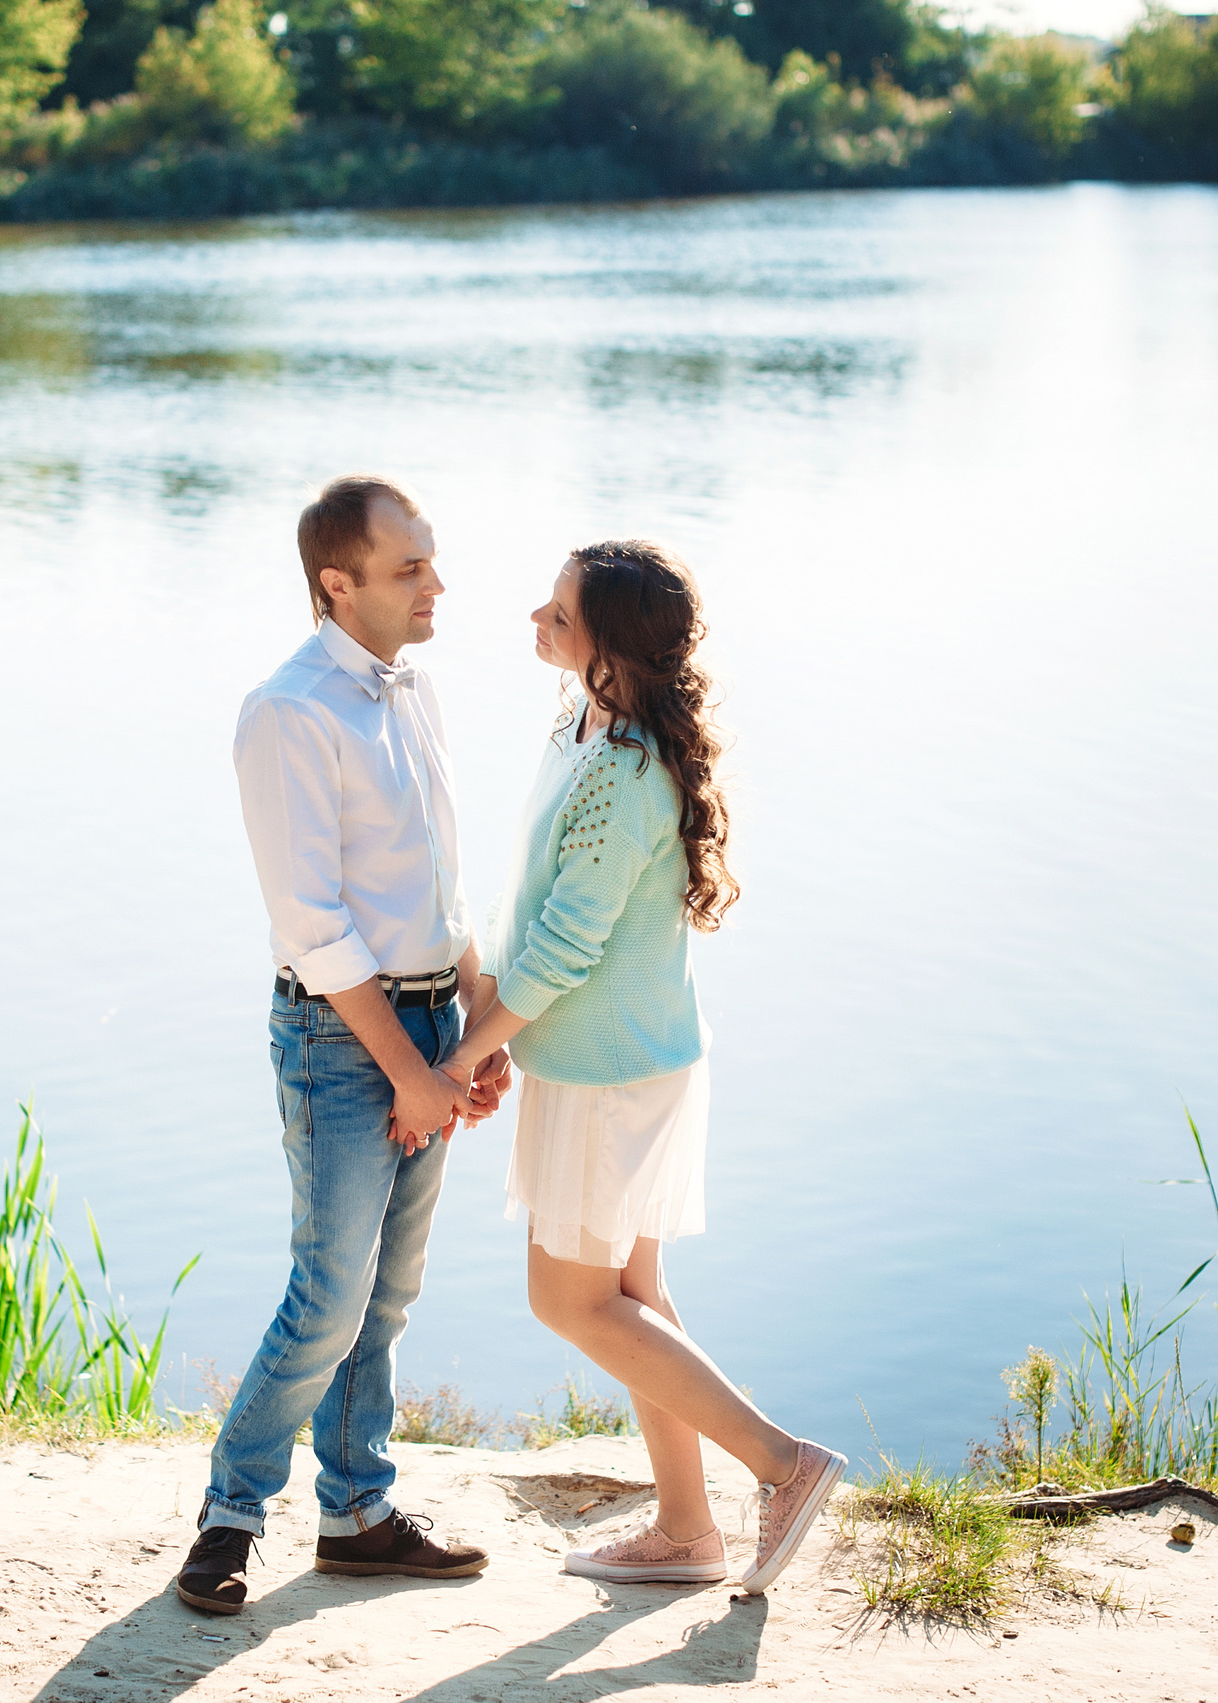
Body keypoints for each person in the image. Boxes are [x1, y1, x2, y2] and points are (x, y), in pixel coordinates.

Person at [440, 539, 847, 1594]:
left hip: (606, 1069)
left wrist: (462, 1055)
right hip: (615, 1054)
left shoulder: (623, 774)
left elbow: (565, 946)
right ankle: (685, 1528)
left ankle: (783, 1464)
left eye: (560, 611)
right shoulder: (582, 721)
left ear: (610, 646)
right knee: (629, 1294)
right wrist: (486, 1028)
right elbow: (530, 912)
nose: (536, 614)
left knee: (571, 1301)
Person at [176, 475, 509, 1617]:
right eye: (410, 566)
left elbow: (438, 880)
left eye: (430, 559)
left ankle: (359, 1513)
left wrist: (470, 1013)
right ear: (339, 582)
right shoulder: (288, 710)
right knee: (328, 1294)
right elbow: (314, 926)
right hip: (338, 1033)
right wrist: (409, 1071)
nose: (436, 583)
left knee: (389, 1293)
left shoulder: (412, 689)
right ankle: (230, 1515)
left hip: (427, 1020)